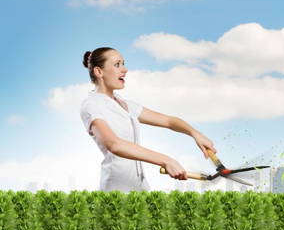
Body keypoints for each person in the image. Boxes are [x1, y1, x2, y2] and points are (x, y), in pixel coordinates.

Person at [79, 47, 217, 192]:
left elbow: (168, 121)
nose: (125, 70)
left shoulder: (124, 105)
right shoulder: (92, 105)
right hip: (116, 191)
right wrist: (166, 160)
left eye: (123, 64)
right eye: (117, 65)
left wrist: (195, 134)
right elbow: (114, 144)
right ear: (99, 72)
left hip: (140, 187)